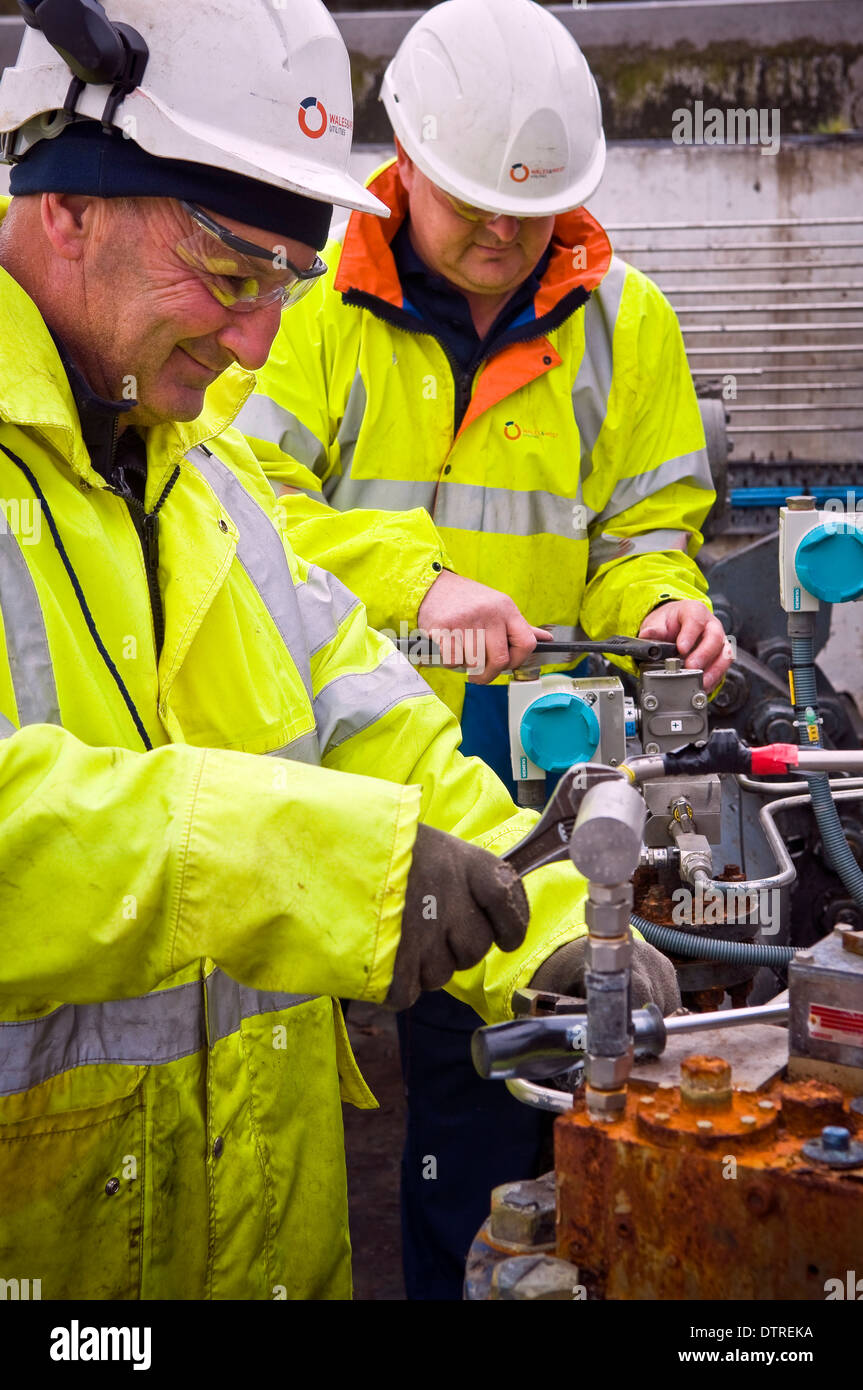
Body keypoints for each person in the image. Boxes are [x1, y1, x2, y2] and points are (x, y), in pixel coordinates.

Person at [0, 0, 680, 1301]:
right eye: (229, 271)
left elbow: (381, 720)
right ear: (66, 201)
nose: (258, 339)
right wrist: (317, 859)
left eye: (285, 282)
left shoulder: (208, 488)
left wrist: (552, 920)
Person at [232, 0, 732, 1299]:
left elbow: (646, 531)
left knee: (552, 1073)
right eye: (473, 205)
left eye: (534, 209)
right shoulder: (304, 310)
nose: (504, 235)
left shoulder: (633, 328)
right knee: (446, 1108)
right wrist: (418, 578)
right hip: (364, 772)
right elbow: (235, 516)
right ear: (407, 162)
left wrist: (664, 602)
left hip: (552, 787)